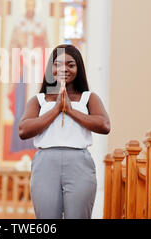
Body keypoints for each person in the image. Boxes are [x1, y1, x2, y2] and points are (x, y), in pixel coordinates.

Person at [18, 44, 111, 219]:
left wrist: (70, 110)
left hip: (79, 163)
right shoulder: (39, 100)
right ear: (50, 68)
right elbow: (23, 130)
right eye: (58, 64)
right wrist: (55, 109)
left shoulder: (88, 98)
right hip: (45, 163)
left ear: (78, 69)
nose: (64, 69)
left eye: (70, 64)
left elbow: (104, 125)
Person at [8, 0, 49, 153]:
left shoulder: (41, 25)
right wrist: (21, 42)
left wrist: (37, 43)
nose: (30, 9)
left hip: (37, 69)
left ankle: (35, 143)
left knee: (38, 104)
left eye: (33, 6)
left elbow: (47, 45)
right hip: (22, 69)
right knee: (21, 104)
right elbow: (12, 45)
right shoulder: (19, 24)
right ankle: (19, 144)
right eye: (28, 6)